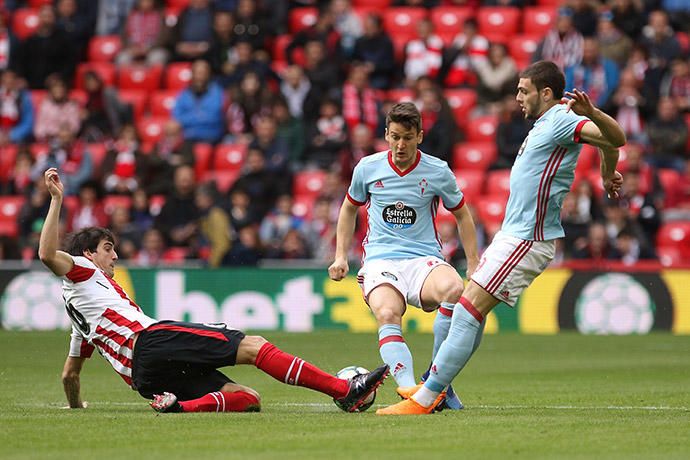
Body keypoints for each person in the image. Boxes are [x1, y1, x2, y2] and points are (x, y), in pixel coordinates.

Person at [377, 61, 626, 415]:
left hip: (528, 238)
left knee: (467, 310)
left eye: (523, 90)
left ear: (546, 93)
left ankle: (426, 395)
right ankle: (440, 390)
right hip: (513, 235)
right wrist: (607, 171)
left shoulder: (561, 118)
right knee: (461, 307)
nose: (517, 97)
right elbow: (607, 145)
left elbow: (616, 138)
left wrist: (593, 113)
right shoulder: (545, 123)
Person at [38, 167, 389, 413]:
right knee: (254, 346)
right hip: (150, 340)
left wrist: (75, 406)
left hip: (144, 380)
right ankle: (346, 390)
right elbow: (46, 255)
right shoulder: (82, 269)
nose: (115, 255)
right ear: (87, 254)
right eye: (107, 248)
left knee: (247, 398)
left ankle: (178, 408)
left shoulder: (83, 316)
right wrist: (56, 201)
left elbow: (70, 374)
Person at [328, 102, 480, 411]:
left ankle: (438, 381)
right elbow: (348, 208)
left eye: (407, 137)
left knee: (454, 290)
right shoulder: (368, 168)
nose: (400, 145)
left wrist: (474, 263)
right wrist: (341, 256)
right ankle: (411, 391)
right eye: (395, 136)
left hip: (423, 258)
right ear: (385, 135)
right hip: (381, 261)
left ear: (420, 136)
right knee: (386, 313)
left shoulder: (437, 170)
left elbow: (463, 215)